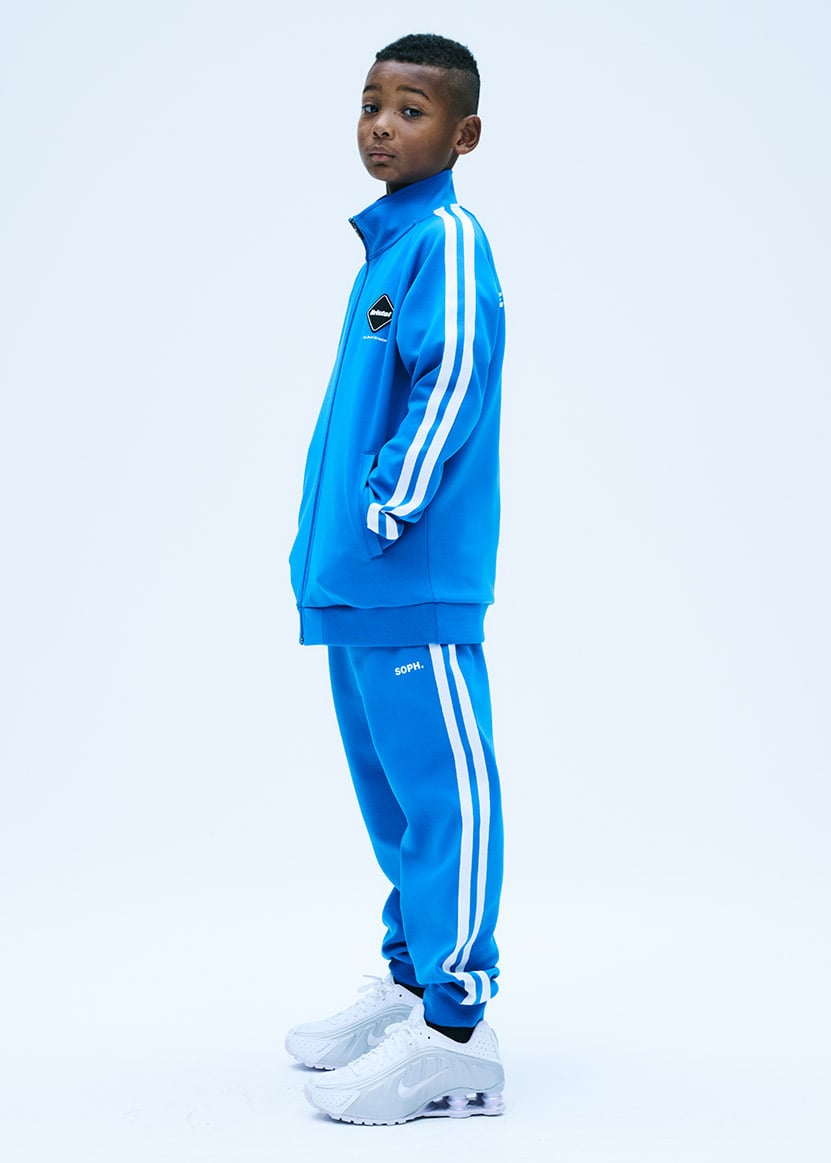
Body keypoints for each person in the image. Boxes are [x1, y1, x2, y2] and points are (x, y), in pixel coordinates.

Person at [286, 32, 506, 1126]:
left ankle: (458, 1034)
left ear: (463, 134)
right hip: (355, 586)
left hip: (409, 575)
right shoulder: (387, 248)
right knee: (393, 804)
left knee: (443, 798)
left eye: (410, 109)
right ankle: (414, 982)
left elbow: (453, 373)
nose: (381, 124)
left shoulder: (446, 241)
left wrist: (387, 503)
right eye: (371, 103)